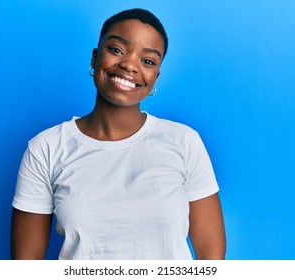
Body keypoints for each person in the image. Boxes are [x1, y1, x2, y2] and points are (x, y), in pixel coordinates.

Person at [11, 8, 226, 260]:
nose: (129, 65)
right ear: (95, 58)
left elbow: (212, 257)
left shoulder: (184, 142)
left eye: (147, 61)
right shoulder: (45, 148)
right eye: (116, 50)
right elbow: (25, 266)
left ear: (155, 77)